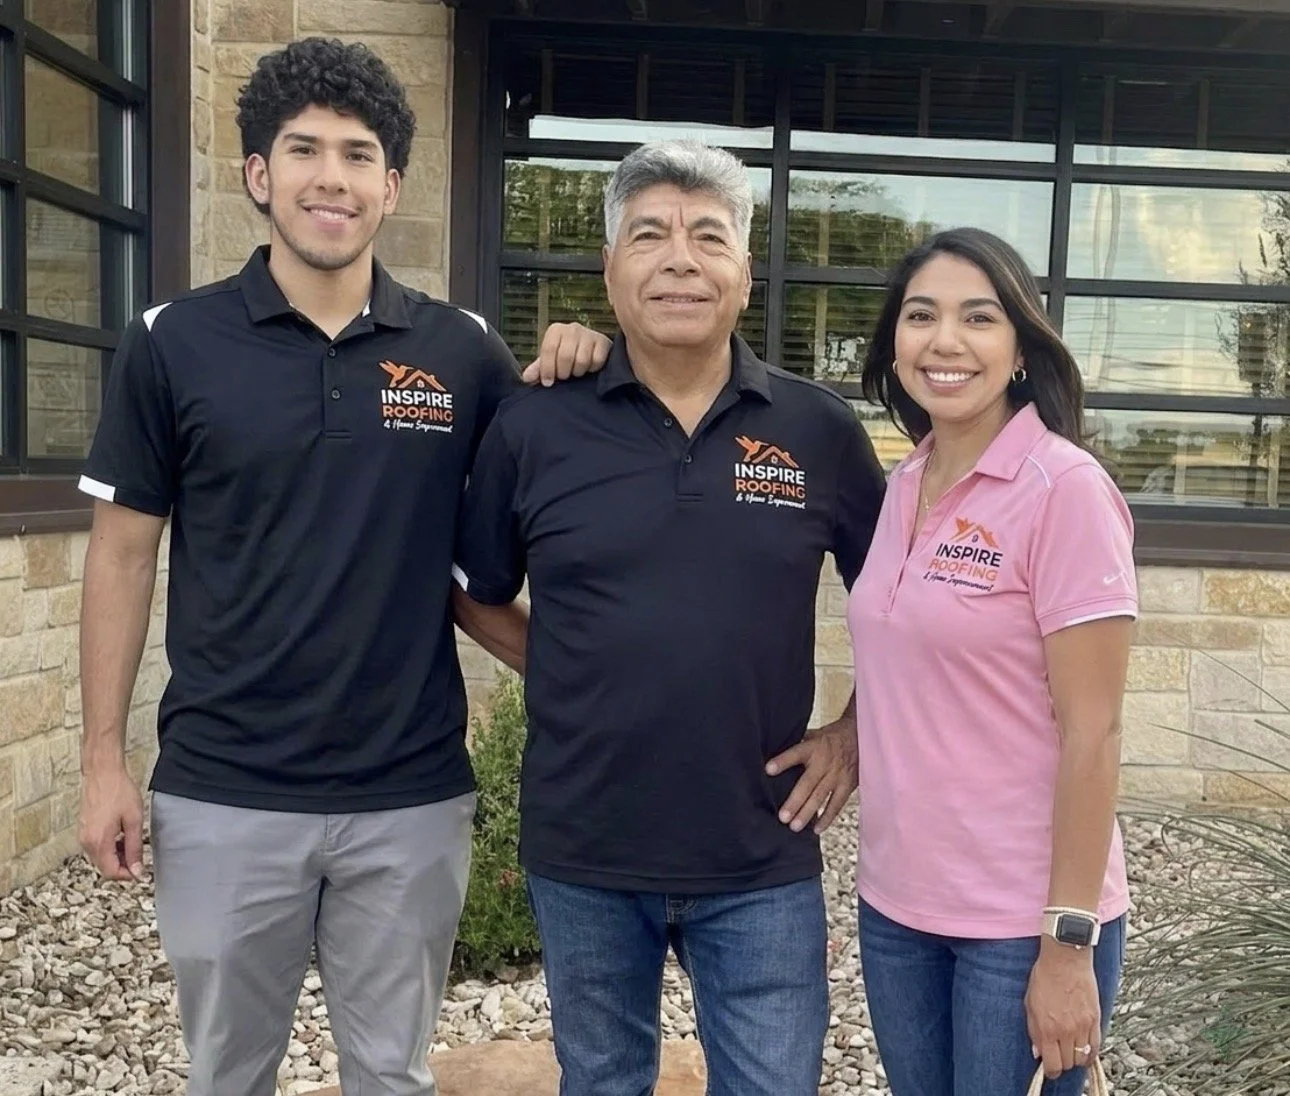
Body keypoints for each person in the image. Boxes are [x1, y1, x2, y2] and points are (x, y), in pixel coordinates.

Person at [75, 38, 607, 1096]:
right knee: (228, 1073)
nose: (334, 176)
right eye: (305, 150)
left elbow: (555, 483)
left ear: (391, 186)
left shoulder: (460, 353)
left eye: (359, 154)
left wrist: (584, 357)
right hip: (226, 788)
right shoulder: (172, 342)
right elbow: (124, 558)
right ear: (258, 176)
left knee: (391, 1076)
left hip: (408, 792)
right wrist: (100, 760)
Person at [453, 140, 887, 1096]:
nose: (680, 258)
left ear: (744, 273)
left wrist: (855, 733)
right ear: (610, 274)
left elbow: (910, 607)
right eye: (649, 235)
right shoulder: (536, 426)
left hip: (761, 850)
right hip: (587, 849)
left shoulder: (819, 431)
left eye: (709, 237)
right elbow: (476, 592)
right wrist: (566, 665)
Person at [848, 227, 1135, 1095]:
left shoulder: (1064, 490)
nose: (945, 341)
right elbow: (910, 661)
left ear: (1019, 347)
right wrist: (842, 734)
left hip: (1020, 921)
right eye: (921, 315)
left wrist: (1066, 946)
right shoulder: (906, 481)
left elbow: (1096, 733)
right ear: (893, 342)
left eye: (979, 318)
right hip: (897, 906)